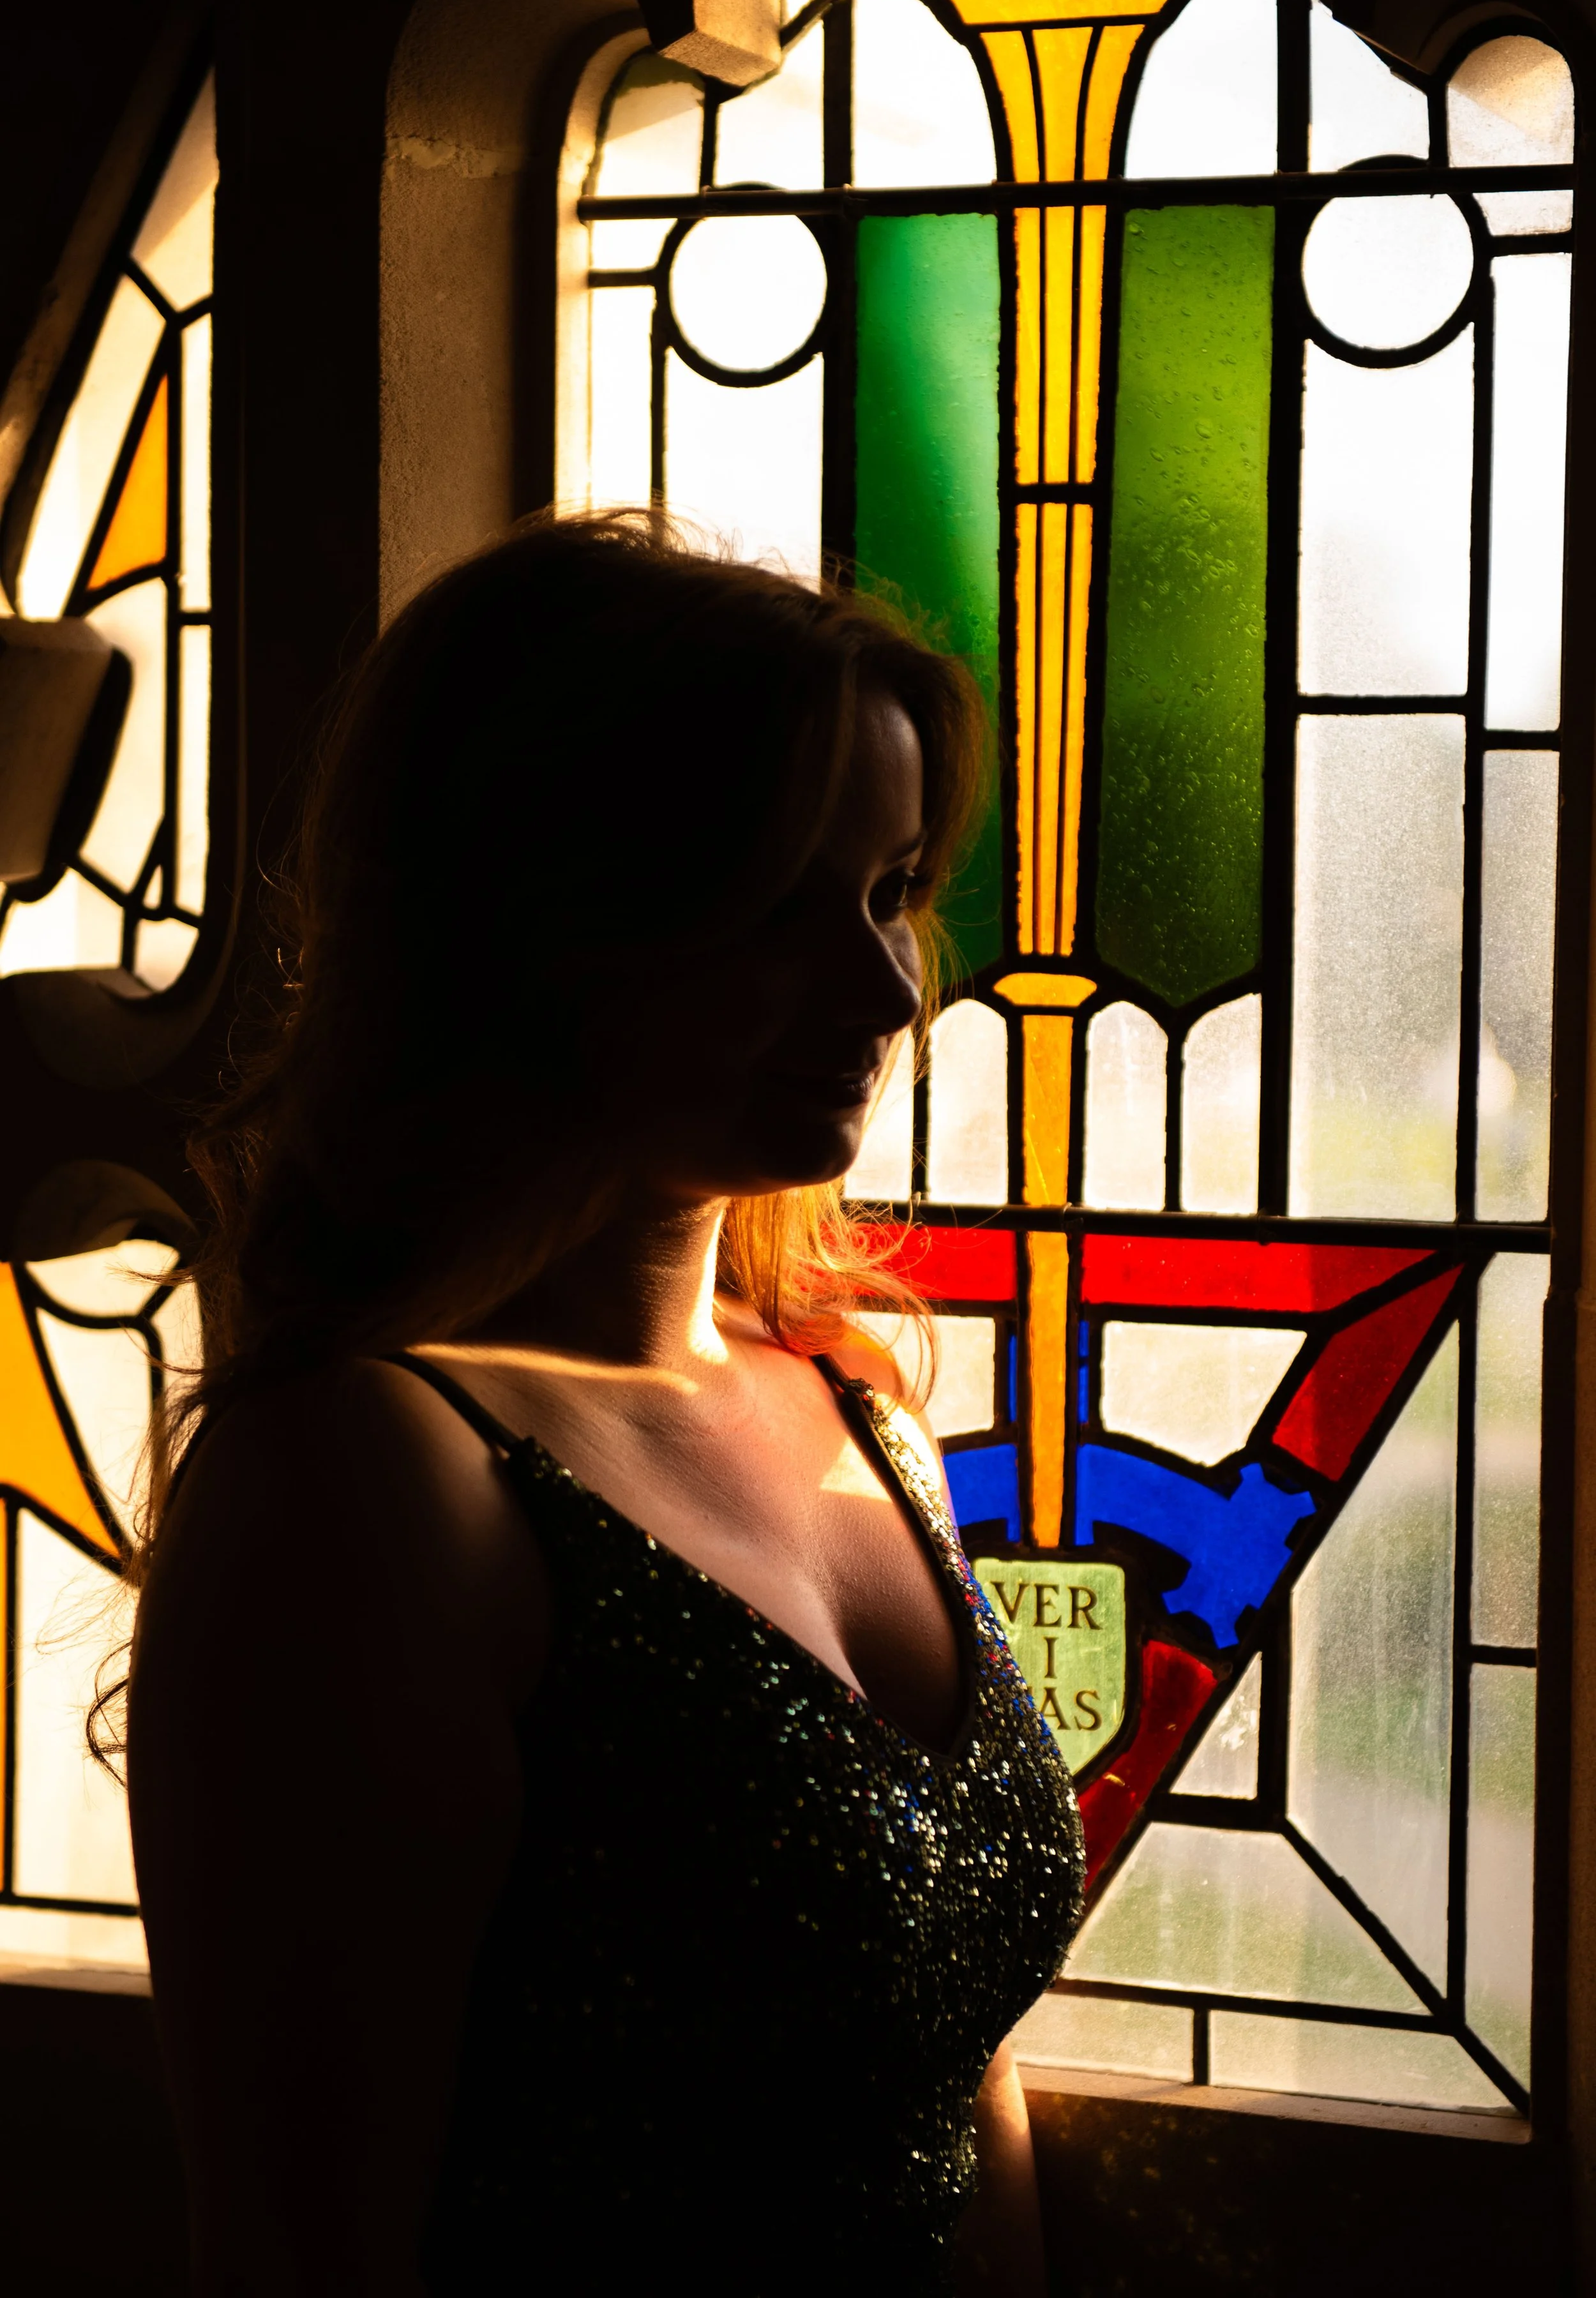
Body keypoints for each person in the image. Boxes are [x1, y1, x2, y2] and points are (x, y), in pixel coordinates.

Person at [123, 510, 1085, 2296]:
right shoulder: (368, 1476)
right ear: (544, 925)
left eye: (886, 894)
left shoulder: (861, 1410)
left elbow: (962, 2091)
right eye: (773, 909)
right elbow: (301, 2247)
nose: (883, 991)